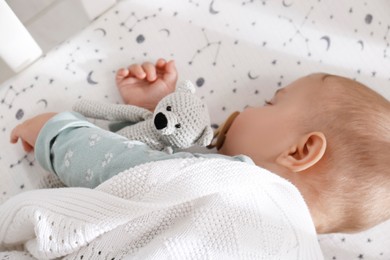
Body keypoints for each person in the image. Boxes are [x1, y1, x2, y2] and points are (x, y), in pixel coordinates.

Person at [10, 58, 390, 235]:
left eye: (272, 103)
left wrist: (56, 133)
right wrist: (154, 116)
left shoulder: (241, 186)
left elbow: (128, 170)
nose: (251, 107)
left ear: (300, 152)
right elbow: (161, 176)